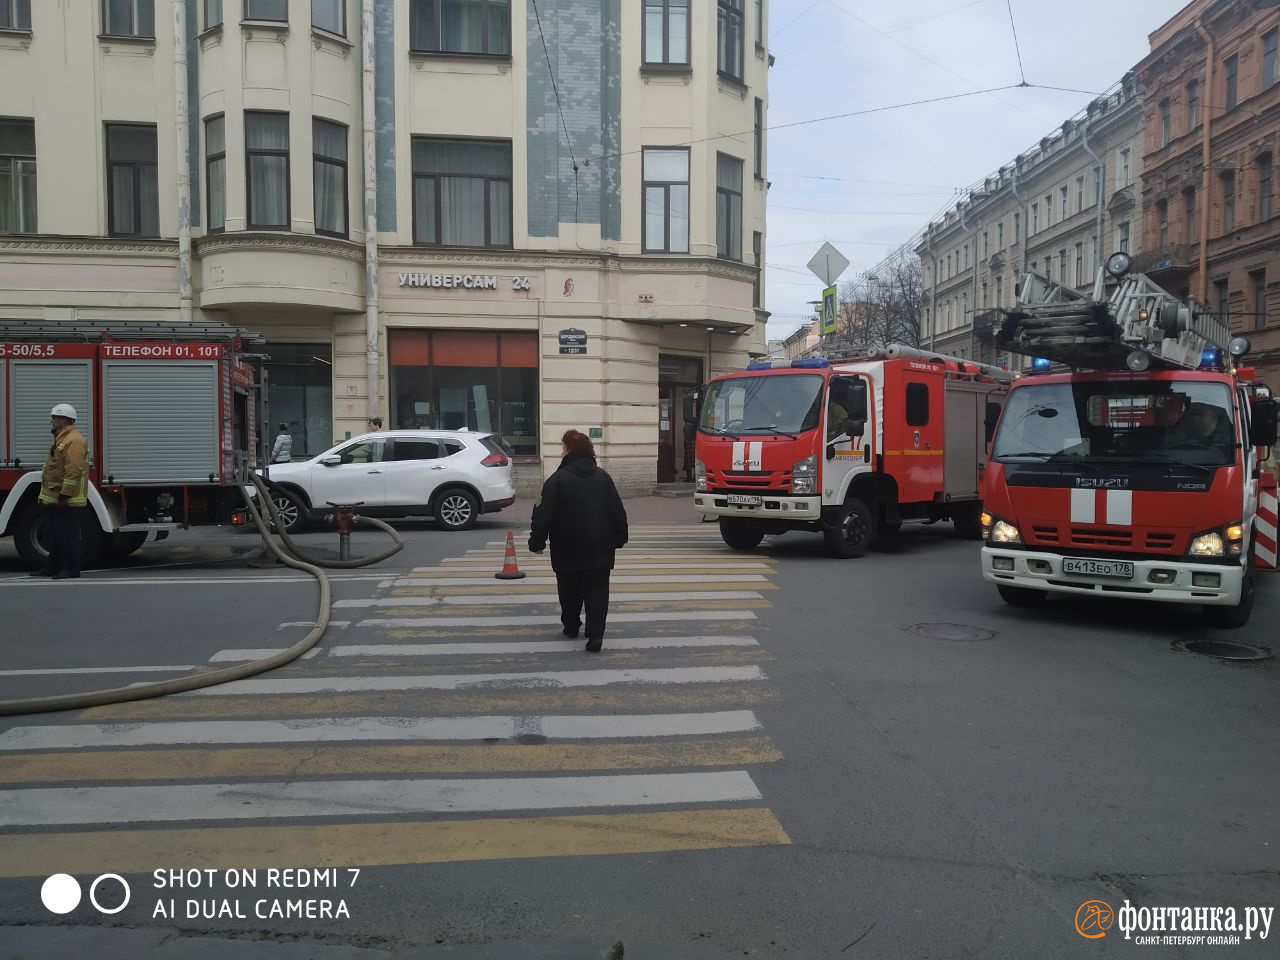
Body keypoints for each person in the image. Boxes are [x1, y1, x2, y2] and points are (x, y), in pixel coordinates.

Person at [529, 430, 629, 652]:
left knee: (568, 589)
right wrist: (620, 537)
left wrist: (537, 542)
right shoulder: (603, 478)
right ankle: (596, 635)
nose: (561, 451)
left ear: (569, 451)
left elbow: (543, 514)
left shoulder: (557, 480)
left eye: (563, 447)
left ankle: (572, 626)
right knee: (598, 590)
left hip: (566, 547)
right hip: (600, 546)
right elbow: (617, 511)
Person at [34, 403, 89, 580]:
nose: (52, 421)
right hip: (57, 497)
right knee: (55, 535)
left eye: (56, 418)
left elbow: (73, 470)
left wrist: (65, 495)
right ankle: (53, 567)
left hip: (67, 499)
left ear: (65, 420)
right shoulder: (62, 438)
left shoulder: (74, 440)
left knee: (67, 536)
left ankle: (72, 569)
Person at [683, 416, 697, 481]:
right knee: (696, 462)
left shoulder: (687, 425)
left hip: (688, 442)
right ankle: (695, 478)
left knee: (687, 462)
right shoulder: (696, 425)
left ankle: (689, 478)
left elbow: (685, 434)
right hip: (694, 443)